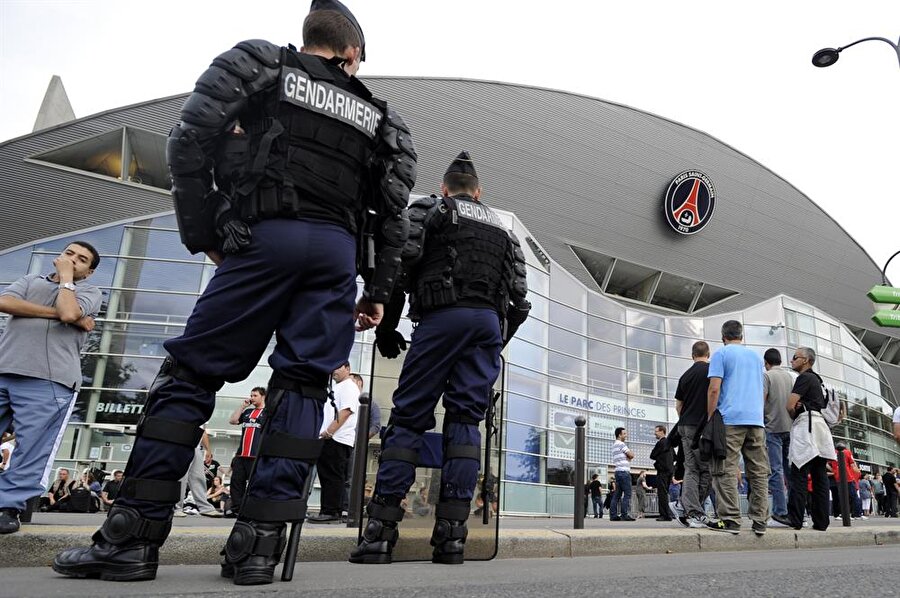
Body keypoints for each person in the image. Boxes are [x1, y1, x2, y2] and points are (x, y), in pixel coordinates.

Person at [53, 0, 416, 585]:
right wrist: (377, 290)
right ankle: (257, 549)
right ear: (352, 54)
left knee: (191, 375)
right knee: (302, 384)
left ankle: (132, 538)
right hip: (334, 254)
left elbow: (189, 141)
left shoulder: (258, 64)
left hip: (265, 238)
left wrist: (208, 231)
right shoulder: (381, 117)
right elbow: (393, 213)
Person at [350, 151, 530, 566]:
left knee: (410, 418)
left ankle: (379, 535)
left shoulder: (430, 208)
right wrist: (493, 346)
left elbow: (400, 263)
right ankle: (453, 539)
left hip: (440, 319)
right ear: (479, 193)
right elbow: (519, 303)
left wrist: (387, 325)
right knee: (467, 421)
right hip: (487, 324)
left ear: (445, 187)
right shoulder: (504, 232)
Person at [0, 241, 101, 534]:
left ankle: (8, 506)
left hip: (51, 380)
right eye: (69, 254)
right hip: (5, 369)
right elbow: (5, 303)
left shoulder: (89, 291)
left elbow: (70, 312)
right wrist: (56, 313)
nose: (72, 260)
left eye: (81, 260)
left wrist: (67, 280)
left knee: (32, 448)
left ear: (89, 272)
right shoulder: (30, 280)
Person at [705, 320, 770, 536]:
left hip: (730, 419)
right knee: (758, 471)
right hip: (756, 420)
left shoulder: (721, 354)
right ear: (741, 336)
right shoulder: (755, 357)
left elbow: (714, 389)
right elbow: (761, 389)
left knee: (724, 469)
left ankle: (731, 519)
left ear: (723, 336)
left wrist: (710, 416)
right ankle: (760, 520)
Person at [786, 346, 835, 531]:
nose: (792, 360)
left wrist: (794, 409)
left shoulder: (804, 378)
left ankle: (795, 518)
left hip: (806, 426)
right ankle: (822, 522)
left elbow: (789, 405)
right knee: (819, 475)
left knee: (798, 473)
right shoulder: (819, 381)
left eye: (795, 357)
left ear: (806, 360)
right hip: (821, 427)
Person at [308, 362, 359, 523]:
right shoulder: (337, 387)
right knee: (327, 475)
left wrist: (330, 431)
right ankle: (328, 510)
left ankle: (331, 511)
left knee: (333, 476)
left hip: (337, 438)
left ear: (347, 369)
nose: (333, 371)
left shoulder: (349, 386)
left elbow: (346, 410)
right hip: (329, 437)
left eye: (337, 367)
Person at [674, 341, 712, 528]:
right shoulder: (713, 371)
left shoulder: (685, 376)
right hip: (704, 426)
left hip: (686, 425)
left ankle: (686, 506)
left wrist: (685, 419)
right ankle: (693, 510)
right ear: (709, 353)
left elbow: (678, 405)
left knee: (691, 468)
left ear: (692, 355)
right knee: (707, 469)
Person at [763, 348, 794, 528]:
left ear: (766, 362)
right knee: (789, 472)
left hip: (773, 427)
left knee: (776, 471)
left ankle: (780, 513)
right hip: (789, 427)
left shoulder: (767, 376)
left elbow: (763, 399)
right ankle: (796, 511)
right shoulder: (789, 377)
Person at [226, 388, 267, 518]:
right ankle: (237, 509)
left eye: (255, 395)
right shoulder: (248, 412)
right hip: (241, 455)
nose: (252, 397)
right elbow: (233, 421)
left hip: (256, 456)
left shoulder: (267, 413)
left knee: (256, 485)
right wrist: (242, 407)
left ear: (263, 397)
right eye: (251, 395)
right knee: (236, 483)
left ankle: (255, 510)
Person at [174, 429, 221, 517]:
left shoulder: (199, 416)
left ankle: (205, 508)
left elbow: (202, 431)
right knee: (181, 478)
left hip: (195, 447)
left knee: (199, 478)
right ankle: (176, 508)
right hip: (181, 445)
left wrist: (208, 450)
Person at [609, 427, 636, 522]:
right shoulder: (621, 444)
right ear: (619, 435)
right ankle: (625, 514)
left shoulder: (614, 445)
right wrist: (629, 456)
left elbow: (628, 456)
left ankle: (613, 515)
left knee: (617, 495)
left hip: (617, 471)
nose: (626, 435)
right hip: (624, 472)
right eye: (624, 434)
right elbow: (631, 455)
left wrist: (628, 456)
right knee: (628, 494)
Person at [829, 442, 862, 519]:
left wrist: (834, 470)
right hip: (848, 477)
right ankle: (857, 514)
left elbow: (826, 464)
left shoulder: (832, 453)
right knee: (853, 496)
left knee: (842, 496)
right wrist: (858, 471)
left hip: (838, 478)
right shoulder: (847, 452)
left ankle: (842, 514)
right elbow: (852, 464)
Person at [650, 425, 674, 521]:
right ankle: (667, 514)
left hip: (662, 471)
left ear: (662, 432)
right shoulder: (670, 443)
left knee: (662, 493)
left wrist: (659, 462)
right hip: (669, 472)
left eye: (656, 431)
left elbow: (652, 455)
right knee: (665, 493)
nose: (654, 433)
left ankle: (664, 515)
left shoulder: (661, 443)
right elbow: (675, 457)